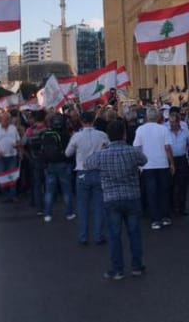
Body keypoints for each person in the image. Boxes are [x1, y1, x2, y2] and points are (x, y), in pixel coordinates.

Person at [85, 120, 148, 280]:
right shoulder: (132, 152)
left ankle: (117, 269)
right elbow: (144, 160)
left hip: (111, 198)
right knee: (134, 233)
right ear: (124, 134)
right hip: (131, 196)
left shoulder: (102, 155)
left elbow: (87, 164)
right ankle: (137, 266)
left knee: (114, 235)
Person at [66, 110, 109, 244]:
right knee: (98, 206)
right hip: (98, 171)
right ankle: (98, 235)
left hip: (82, 172)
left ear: (81, 121)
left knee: (83, 206)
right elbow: (108, 147)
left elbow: (68, 153)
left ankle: (83, 236)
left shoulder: (77, 136)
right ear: (93, 120)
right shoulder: (101, 135)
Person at [133, 106, 174, 230]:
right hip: (162, 164)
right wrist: (172, 163)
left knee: (151, 193)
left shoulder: (140, 129)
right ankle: (165, 217)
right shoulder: (163, 129)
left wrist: (139, 164)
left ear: (146, 116)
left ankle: (155, 220)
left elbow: (137, 148)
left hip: (147, 165)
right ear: (158, 117)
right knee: (164, 191)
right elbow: (167, 148)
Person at [42, 112, 75, 222]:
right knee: (66, 190)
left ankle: (47, 214)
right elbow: (69, 150)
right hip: (63, 164)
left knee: (49, 191)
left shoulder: (46, 133)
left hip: (50, 165)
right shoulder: (65, 134)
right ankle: (69, 213)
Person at [0, 113, 21, 203]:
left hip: (12, 155)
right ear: (1, 120)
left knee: (12, 176)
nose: (6, 121)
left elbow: (18, 140)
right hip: (1, 156)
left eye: (8, 119)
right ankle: (5, 195)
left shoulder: (13, 128)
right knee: (3, 176)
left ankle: (13, 195)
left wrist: (17, 146)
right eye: (5, 119)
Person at [168, 114, 189, 216]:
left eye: (174, 122)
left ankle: (182, 207)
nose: (172, 124)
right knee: (171, 184)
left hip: (182, 160)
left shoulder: (185, 131)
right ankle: (172, 207)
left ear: (178, 122)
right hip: (170, 160)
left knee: (182, 184)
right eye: (171, 122)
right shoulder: (166, 132)